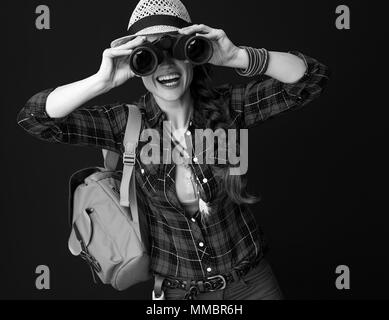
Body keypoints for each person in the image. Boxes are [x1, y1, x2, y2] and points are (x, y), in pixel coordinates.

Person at [17, 0, 329, 300]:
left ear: (194, 53)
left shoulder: (227, 108)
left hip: (252, 283)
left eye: (176, 49)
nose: (166, 65)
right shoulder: (127, 124)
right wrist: (103, 81)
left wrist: (238, 57)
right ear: (137, 62)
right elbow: (35, 118)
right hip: (179, 292)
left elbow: (311, 79)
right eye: (150, 53)